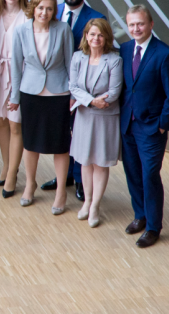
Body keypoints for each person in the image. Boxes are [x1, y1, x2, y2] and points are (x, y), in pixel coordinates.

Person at [119, 5, 169, 248]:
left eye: (140, 24)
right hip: (128, 125)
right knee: (133, 173)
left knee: (149, 175)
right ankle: (140, 216)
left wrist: (162, 126)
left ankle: (154, 227)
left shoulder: (165, 55)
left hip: (151, 129)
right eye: (132, 24)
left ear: (151, 24)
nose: (136, 28)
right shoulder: (124, 49)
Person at [42, 0, 106, 200]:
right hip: (54, 86)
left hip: (83, 89)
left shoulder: (97, 17)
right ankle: (64, 176)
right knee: (61, 133)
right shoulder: (52, 11)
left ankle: (80, 179)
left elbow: (99, 57)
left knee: (79, 134)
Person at [8, 0, 73, 214]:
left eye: (49, 8)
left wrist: (73, 94)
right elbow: (16, 66)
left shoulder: (63, 29)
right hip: (31, 93)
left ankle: (61, 192)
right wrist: (14, 97)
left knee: (60, 145)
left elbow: (70, 64)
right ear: (33, 8)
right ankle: (30, 184)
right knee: (31, 143)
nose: (44, 12)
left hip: (59, 94)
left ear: (55, 11)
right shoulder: (21, 30)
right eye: (40, 7)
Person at [68, 18, 122, 229]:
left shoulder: (114, 60)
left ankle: (95, 206)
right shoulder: (77, 57)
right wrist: (91, 100)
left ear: (106, 37)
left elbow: (115, 91)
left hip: (105, 117)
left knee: (100, 163)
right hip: (84, 115)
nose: (95, 39)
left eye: (100, 35)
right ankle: (87, 201)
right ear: (86, 36)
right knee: (84, 161)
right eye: (92, 34)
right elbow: (73, 86)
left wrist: (97, 101)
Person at [0, 0, 28, 197]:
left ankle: (13, 173)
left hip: (19, 76)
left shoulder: (27, 17)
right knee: (1, 121)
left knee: (16, 125)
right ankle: (5, 166)